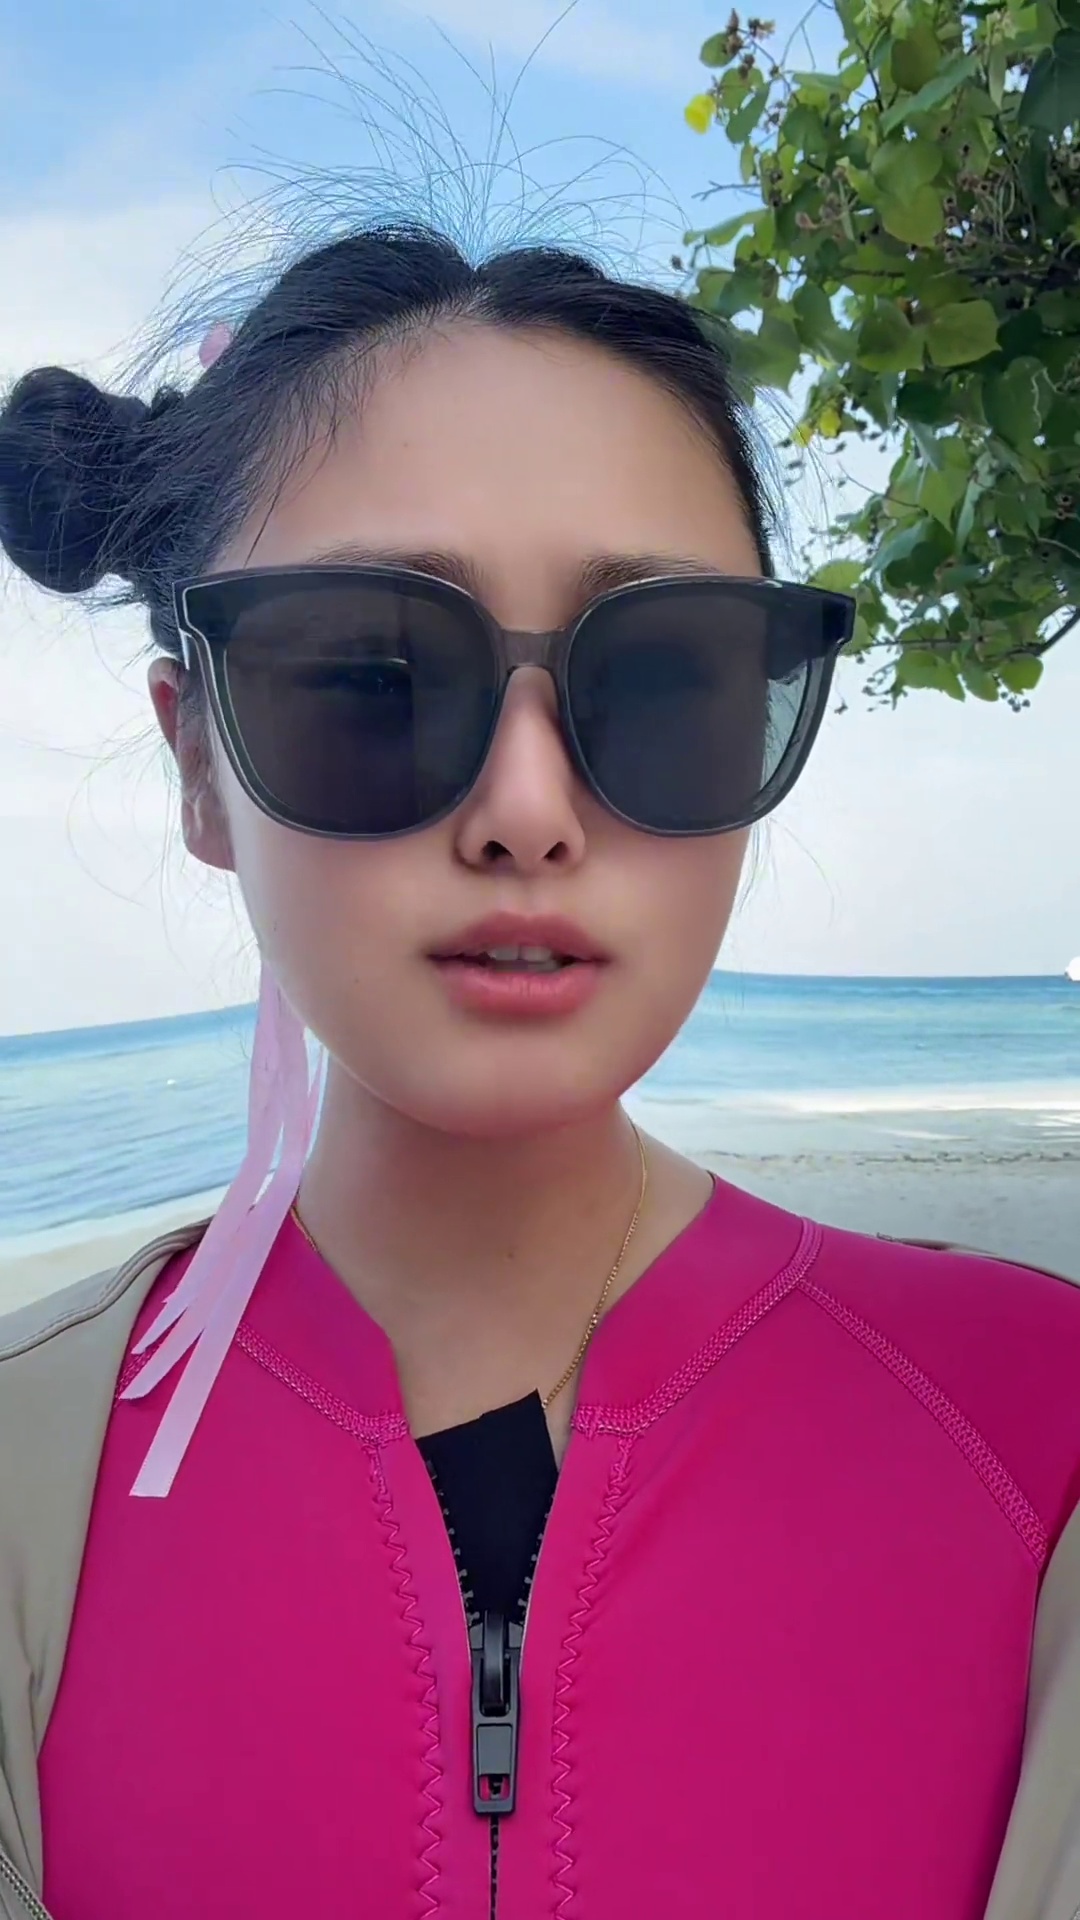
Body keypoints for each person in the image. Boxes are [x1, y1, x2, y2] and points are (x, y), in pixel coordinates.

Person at [0, 220, 1077, 1920]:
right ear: (199, 759)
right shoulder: (21, 1480)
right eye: (372, 676)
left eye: (659, 680)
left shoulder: (1042, 1435)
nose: (526, 809)